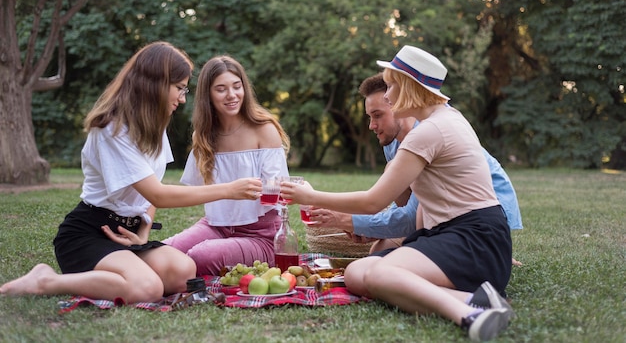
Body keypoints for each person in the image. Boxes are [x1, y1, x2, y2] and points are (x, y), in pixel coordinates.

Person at [282, 46, 514, 341]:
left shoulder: (430, 131)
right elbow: (410, 209)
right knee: (356, 274)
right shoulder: (444, 120)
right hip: (453, 235)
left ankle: (469, 311)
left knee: (380, 275)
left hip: (474, 241)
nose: (388, 95)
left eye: (391, 85)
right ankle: (478, 297)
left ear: (408, 86)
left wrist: (310, 196)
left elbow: (373, 200)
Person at [0, 42, 262, 304]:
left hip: (126, 234)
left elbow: (149, 192)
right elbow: (158, 194)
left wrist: (144, 229)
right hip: (89, 232)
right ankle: (47, 280)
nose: (182, 98)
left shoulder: (153, 125)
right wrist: (229, 190)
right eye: (179, 88)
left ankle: (123, 273)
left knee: (182, 272)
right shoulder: (110, 129)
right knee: (147, 290)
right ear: (156, 83)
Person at [310, 73, 523, 260]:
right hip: (438, 212)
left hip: (480, 215)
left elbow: (406, 212)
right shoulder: (393, 141)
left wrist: (346, 219)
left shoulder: (428, 132)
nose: (371, 126)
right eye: (370, 117)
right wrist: (371, 228)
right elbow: (402, 200)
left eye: (378, 115)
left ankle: (481, 256)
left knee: (381, 262)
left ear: (398, 103)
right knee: (377, 252)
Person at [163, 55, 291, 276]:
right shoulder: (202, 136)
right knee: (163, 252)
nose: (232, 95)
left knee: (200, 256)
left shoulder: (265, 129)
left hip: (259, 235)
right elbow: (198, 192)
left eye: (237, 86)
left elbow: (278, 191)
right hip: (215, 225)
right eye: (221, 89)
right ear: (208, 95)